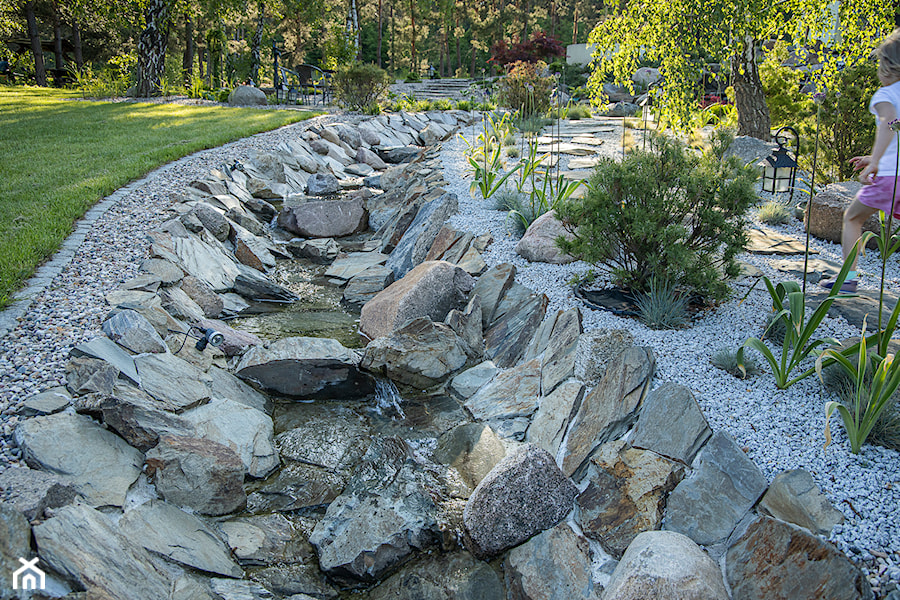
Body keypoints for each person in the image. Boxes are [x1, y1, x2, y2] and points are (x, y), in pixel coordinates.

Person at [821, 29, 900, 292]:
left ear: (887, 67)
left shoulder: (886, 95)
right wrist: (873, 156)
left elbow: (889, 124)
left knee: (852, 218)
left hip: (890, 177)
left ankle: (848, 279)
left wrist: (876, 162)